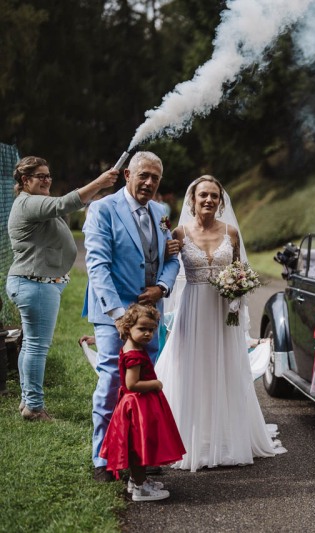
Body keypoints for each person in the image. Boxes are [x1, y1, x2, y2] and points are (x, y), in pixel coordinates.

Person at [155, 175, 286, 471]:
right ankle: (190, 437)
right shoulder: (178, 232)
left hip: (224, 311)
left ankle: (226, 436)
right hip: (193, 307)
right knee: (191, 367)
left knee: (225, 367)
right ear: (193, 200)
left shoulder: (231, 233)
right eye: (203, 195)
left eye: (214, 195)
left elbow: (240, 268)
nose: (209, 200)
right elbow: (168, 269)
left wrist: (239, 288)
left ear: (221, 201)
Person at [83, 151, 181, 482]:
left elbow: (172, 258)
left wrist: (163, 288)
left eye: (155, 177)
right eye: (144, 175)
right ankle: (102, 457)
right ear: (128, 174)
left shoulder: (162, 212)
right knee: (113, 379)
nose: (150, 182)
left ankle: (140, 454)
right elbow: (97, 266)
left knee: (143, 386)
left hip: (150, 313)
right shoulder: (102, 210)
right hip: (114, 312)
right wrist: (117, 314)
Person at [6, 156, 118, 421]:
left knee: (30, 346)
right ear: (25, 181)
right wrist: (99, 183)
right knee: (36, 347)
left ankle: (27, 401)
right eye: (41, 176)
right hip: (35, 284)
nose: (47, 180)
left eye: (49, 175)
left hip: (35, 283)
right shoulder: (29, 202)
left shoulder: (34, 203)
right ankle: (34, 407)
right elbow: (64, 203)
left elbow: (60, 208)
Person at [99, 303, 185, 501]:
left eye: (151, 330)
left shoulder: (132, 346)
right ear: (128, 327)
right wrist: (155, 383)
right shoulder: (134, 355)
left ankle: (138, 481)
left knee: (140, 445)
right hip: (137, 406)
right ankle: (140, 488)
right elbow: (132, 384)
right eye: (142, 329)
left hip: (137, 404)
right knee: (138, 448)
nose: (147, 334)